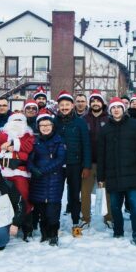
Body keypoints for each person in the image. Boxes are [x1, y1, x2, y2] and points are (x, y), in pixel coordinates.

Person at [97, 97, 136, 245]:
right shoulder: (105, 129)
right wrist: (101, 177)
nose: (116, 110)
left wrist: (135, 156)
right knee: (115, 206)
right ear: (110, 111)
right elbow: (101, 155)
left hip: (132, 172)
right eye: (113, 108)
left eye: (118, 107)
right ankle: (118, 231)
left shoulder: (135, 124)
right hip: (113, 174)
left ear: (123, 109)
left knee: (135, 204)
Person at [0, 112, 35, 237]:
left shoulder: (28, 134)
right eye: (14, 121)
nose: (17, 123)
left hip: (20, 172)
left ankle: (26, 226)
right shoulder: (2, 134)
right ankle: (3, 225)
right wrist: (3, 148)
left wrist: (14, 145)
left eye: (20, 121)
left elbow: (28, 149)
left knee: (23, 197)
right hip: (4, 172)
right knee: (2, 198)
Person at [53, 90, 91, 236]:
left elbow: (86, 145)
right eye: (61, 105)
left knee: (74, 195)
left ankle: (75, 223)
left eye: (67, 104)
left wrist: (86, 165)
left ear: (72, 105)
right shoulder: (54, 122)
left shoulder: (80, 122)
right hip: (58, 164)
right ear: (58, 106)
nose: (64, 107)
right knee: (56, 194)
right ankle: (54, 224)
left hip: (75, 164)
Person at [28, 110, 67, 245]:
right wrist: (32, 169)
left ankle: (53, 234)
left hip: (54, 179)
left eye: (47, 124)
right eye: (42, 125)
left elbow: (60, 159)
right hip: (38, 180)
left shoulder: (58, 141)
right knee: (41, 209)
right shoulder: (35, 142)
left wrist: (43, 170)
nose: (45, 127)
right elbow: (30, 159)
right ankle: (44, 233)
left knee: (52, 209)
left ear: (52, 126)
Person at [81, 90, 112, 228]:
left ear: (102, 103)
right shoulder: (84, 119)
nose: (95, 103)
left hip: (104, 162)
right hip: (88, 162)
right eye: (93, 101)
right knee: (85, 192)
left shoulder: (109, 119)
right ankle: (85, 218)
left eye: (98, 100)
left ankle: (109, 217)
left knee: (106, 192)